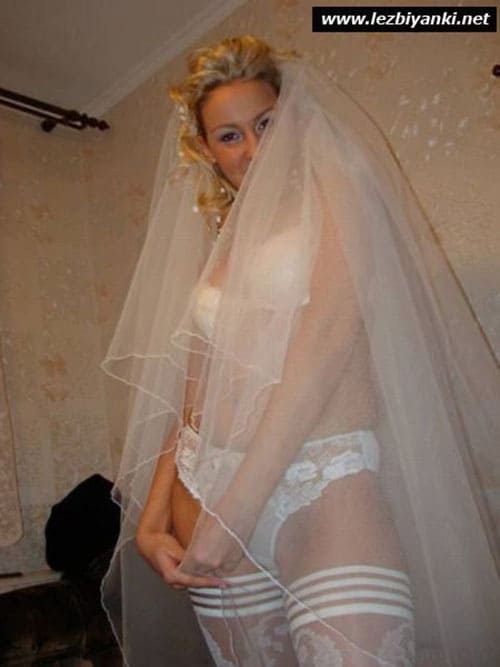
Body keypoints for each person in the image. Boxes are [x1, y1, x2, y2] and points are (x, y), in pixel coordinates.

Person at [101, 36, 500, 666]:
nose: (254, 148)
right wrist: (152, 523)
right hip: (204, 498)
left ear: (293, 117)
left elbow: (328, 334)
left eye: (266, 123)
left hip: (322, 488)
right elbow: (192, 402)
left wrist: (238, 512)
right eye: (229, 136)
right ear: (207, 149)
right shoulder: (218, 247)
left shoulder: (341, 189)